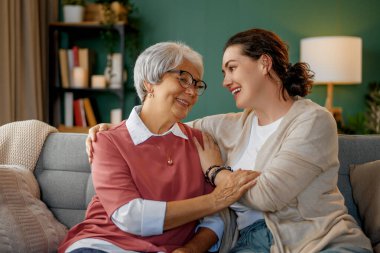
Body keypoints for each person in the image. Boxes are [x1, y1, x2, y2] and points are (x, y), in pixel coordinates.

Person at [87, 29, 373, 253]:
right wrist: (111, 131)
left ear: (264, 63)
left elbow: (267, 196)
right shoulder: (229, 126)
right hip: (248, 242)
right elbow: (161, 125)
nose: (225, 81)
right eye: (223, 73)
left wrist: (216, 172)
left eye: (232, 68)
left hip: (317, 239)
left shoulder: (313, 120)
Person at [59, 42, 259, 253]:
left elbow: (214, 220)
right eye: (183, 79)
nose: (191, 91)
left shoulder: (200, 143)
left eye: (197, 84)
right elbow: (130, 216)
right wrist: (215, 200)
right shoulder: (108, 141)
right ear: (149, 84)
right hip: (101, 245)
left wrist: (190, 249)